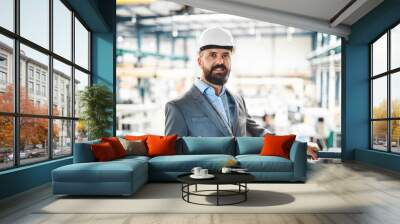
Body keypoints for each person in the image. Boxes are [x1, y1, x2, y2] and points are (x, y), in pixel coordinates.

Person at [164, 27, 318, 158]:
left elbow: (260, 134)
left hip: (241, 180)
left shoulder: (238, 101)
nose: (220, 62)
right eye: (212, 55)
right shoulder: (178, 107)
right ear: (200, 61)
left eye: (225, 55)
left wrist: (296, 146)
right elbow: (172, 158)